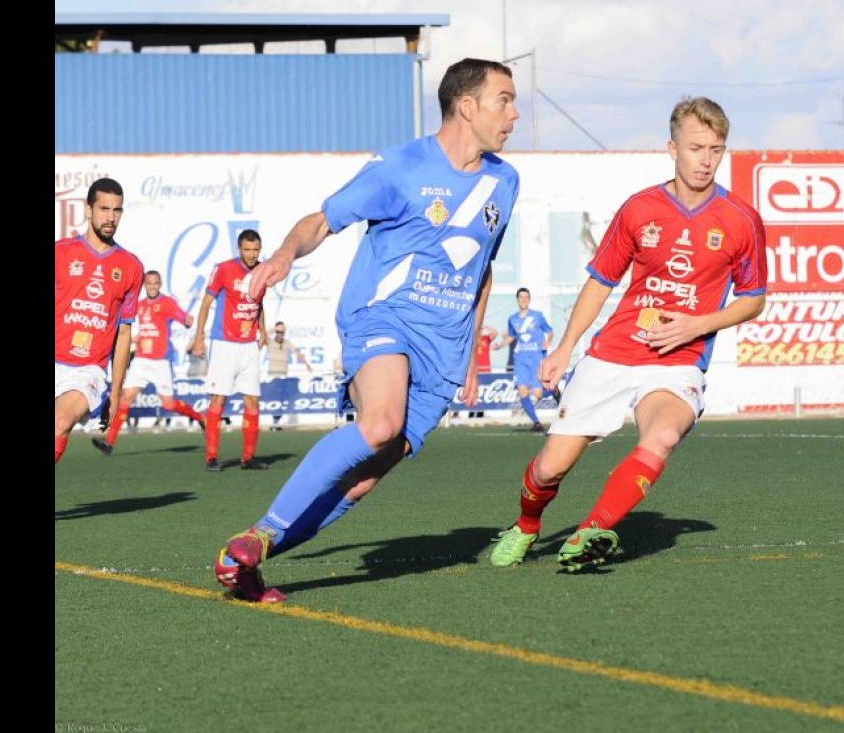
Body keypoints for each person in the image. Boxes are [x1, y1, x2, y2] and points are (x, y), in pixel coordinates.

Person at [212, 58, 521, 602]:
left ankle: (249, 555)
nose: (514, 114)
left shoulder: (505, 181)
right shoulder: (400, 166)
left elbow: (483, 269)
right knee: (380, 423)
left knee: (362, 479)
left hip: (443, 352)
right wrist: (285, 253)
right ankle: (259, 534)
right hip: (383, 320)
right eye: (504, 100)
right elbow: (322, 219)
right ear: (467, 107)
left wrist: (471, 350)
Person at [487, 95, 768, 573]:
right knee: (550, 467)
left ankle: (591, 531)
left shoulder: (742, 220)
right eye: (696, 147)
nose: (705, 160)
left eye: (716, 149)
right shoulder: (640, 209)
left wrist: (698, 325)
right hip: (615, 353)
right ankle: (527, 525)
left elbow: (754, 297)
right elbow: (601, 281)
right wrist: (565, 347)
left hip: (679, 363)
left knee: (661, 435)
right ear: (672, 148)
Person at [55, 178, 145, 465]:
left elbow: (124, 332)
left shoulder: (131, 267)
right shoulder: (60, 253)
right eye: (104, 208)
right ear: (88, 210)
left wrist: (116, 391)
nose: (110, 217)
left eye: (116, 210)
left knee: (61, 421)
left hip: (87, 370)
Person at [91, 270, 205, 455]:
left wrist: (187, 320)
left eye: (155, 283)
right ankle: (109, 442)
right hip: (142, 361)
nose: (152, 286)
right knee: (125, 399)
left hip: (160, 362)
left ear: (159, 285)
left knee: (168, 404)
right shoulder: (140, 305)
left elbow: (183, 318)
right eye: (149, 283)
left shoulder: (167, 303)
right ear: (145, 285)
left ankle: (200, 417)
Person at [190, 229, 270, 472]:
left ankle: (248, 457)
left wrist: (263, 328)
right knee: (219, 398)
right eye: (247, 249)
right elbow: (205, 304)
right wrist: (199, 338)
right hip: (224, 344)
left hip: (249, 346)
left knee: (253, 400)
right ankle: (211, 456)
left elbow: (258, 302)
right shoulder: (223, 269)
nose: (252, 254)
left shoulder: (262, 271)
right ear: (239, 249)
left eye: (256, 250)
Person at [493, 287, 554, 431]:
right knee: (522, 391)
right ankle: (536, 423)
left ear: (529, 299)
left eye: (526, 297)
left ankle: (554, 391)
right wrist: (499, 345)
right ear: (517, 299)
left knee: (538, 394)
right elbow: (511, 336)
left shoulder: (537, 316)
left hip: (536, 358)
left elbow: (549, 331)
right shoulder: (513, 319)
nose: (524, 299)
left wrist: (548, 341)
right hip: (520, 359)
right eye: (521, 297)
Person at [266, 320, 315, 430]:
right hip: (273, 376)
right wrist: (272, 329)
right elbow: (262, 338)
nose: (280, 334)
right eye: (278, 331)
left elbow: (297, 353)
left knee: (282, 400)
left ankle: (276, 422)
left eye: (282, 332)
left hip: (284, 375)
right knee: (274, 400)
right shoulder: (270, 342)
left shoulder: (287, 343)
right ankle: (274, 422)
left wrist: (307, 365)